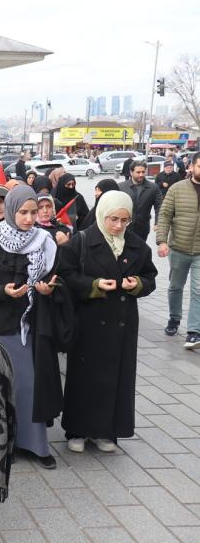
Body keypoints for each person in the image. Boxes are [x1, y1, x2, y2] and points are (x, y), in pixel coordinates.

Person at [58, 191, 157, 453]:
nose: (119, 225)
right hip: (88, 321)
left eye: (125, 220)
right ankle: (77, 429)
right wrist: (93, 285)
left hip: (122, 323)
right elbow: (65, 273)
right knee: (83, 377)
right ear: (102, 214)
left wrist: (138, 284)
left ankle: (106, 431)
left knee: (116, 376)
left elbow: (150, 276)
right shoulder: (82, 240)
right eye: (113, 219)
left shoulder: (137, 245)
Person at [0, 185, 60, 469]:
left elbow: (56, 277)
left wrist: (48, 289)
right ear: (12, 211)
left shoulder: (44, 241)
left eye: (34, 212)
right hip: (0, 324)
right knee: (5, 384)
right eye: (23, 212)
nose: (29, 218)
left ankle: (35, 445)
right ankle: (6, 443)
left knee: (31, 383)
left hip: (33, 322)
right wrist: (3, 291)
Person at [156, 152, 200, 345]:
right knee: (175, 287)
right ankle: (174, 319)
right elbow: (165, 215)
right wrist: (162, 241)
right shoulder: (177, 189)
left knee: (198, 290)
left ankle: (194, 330)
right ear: (191, 167)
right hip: (178, 248)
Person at [119, 160, 162, 241]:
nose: (141, 175)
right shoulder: (121, 187)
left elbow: (159, 207)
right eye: (138, 172)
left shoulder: (153, 188)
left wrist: (158, 222)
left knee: (140, 248)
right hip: (124, 228)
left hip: (142, 228)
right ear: (131, 172)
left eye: (143, 172)